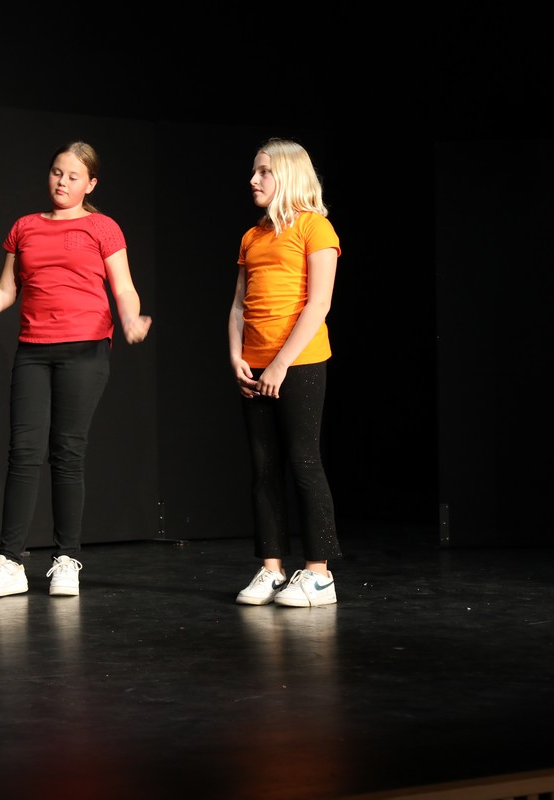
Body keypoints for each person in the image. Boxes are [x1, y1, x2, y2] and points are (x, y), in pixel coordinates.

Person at [0, 140, 151, 598]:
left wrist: (130, 318)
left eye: (73, 176)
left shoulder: (102, 227)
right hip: (33, 351)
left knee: (67, 453)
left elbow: (124, 287)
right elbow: (4, 292)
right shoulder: (25, 227)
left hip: (85, 350)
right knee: (24, 453)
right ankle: (9, 563)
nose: (62, 182)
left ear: (91, 184)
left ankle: (66, 560)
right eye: (56, 172)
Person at [229, 137, 342, 608]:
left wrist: (280, 363)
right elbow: (239, 305)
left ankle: (319, 574)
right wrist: (236, 355)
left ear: (288, 175)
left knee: (303, 461)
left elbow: (319, 303)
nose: (253, 180)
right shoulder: (252, 236)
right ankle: (271, 569)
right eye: (254, 171)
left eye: (263, 171)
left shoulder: (316, 228)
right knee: (263, 467)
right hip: (254, 364)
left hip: (300, 362)